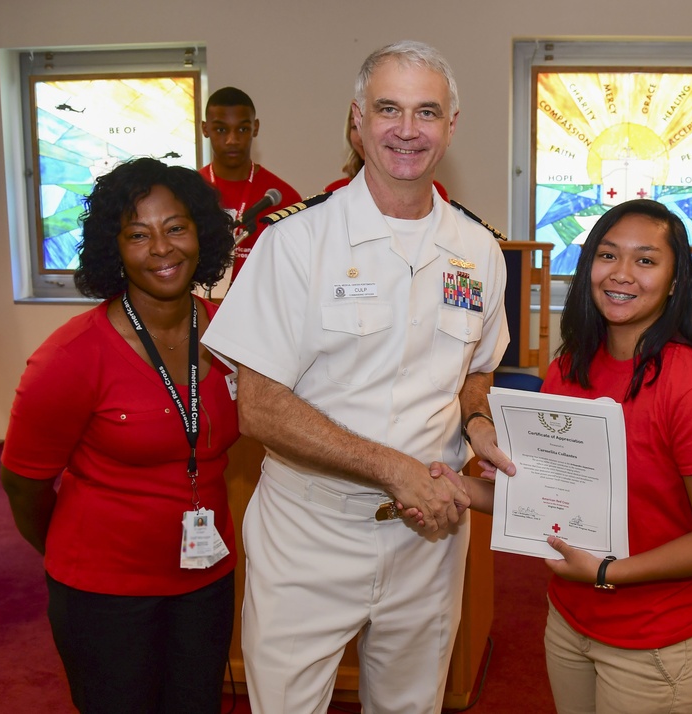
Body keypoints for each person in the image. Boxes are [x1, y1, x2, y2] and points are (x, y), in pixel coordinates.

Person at [202, 40, 514, 714]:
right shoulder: (294, 243)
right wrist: (392, 468)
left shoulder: (479, 250)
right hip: (310, 534)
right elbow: (257, 406)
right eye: (389, 109)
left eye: (427, 111)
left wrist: (479, 420)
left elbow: (476, 371)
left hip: (428, 537)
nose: (408, 129)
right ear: (356, 120)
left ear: (451, 125)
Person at [449, 199, 692, 713]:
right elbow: (553, 503)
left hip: (652, 641)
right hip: (570, 618)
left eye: (647, 260)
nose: (623, 274)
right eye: (608, 255)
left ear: (676, 281)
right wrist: (457, 488)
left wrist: (607, 572)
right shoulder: (569, 368)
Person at [0, 158, 240, 714]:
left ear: (202, 233)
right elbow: (23, 486)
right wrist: (73, 559)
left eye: (176, 227)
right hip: (104, 595)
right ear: (115, 249)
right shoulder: (69, 358)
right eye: (139, 234)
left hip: (206, 579)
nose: (162, 248)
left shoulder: (235, 332)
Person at [199, 86, 302, 281]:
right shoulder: (187, 193)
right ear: (205, 129)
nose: (232, 140)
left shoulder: (283, 197)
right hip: (202, 307)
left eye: (243, 129)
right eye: (221, 129)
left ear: (256, 128)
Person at [323, 103, 449, 200]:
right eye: (355, 127)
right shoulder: (335, 193)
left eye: (426, 113)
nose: (363, 136)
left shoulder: (434, 194)